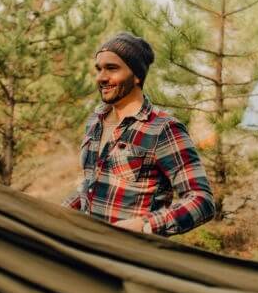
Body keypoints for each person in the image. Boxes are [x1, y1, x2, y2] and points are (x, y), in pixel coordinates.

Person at [63, 31, 215, 235]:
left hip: (131, 257)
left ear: (136, 75)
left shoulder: (163, 129)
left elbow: (201, 201)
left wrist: (145, 225)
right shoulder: (95, 122)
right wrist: (59, 213)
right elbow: (91, 186)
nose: (101, 78)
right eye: (99, 69)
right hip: (87, 250)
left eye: (112, 68)